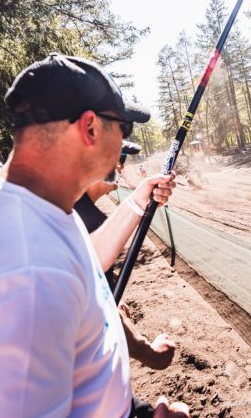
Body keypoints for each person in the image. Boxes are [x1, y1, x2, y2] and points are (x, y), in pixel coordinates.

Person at [0, 54, 188, 417]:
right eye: (123, 128)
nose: (124, 144)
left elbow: (85, 263)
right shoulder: (32, 273)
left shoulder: (37, 204)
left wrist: (138, 200)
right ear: (90, 128)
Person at [74, 140, 176, 371]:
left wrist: (109, 286)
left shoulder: (76, 208)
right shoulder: (85, 220)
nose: (121, 166)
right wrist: (150, 353)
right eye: (118, 159)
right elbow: (95, 313)